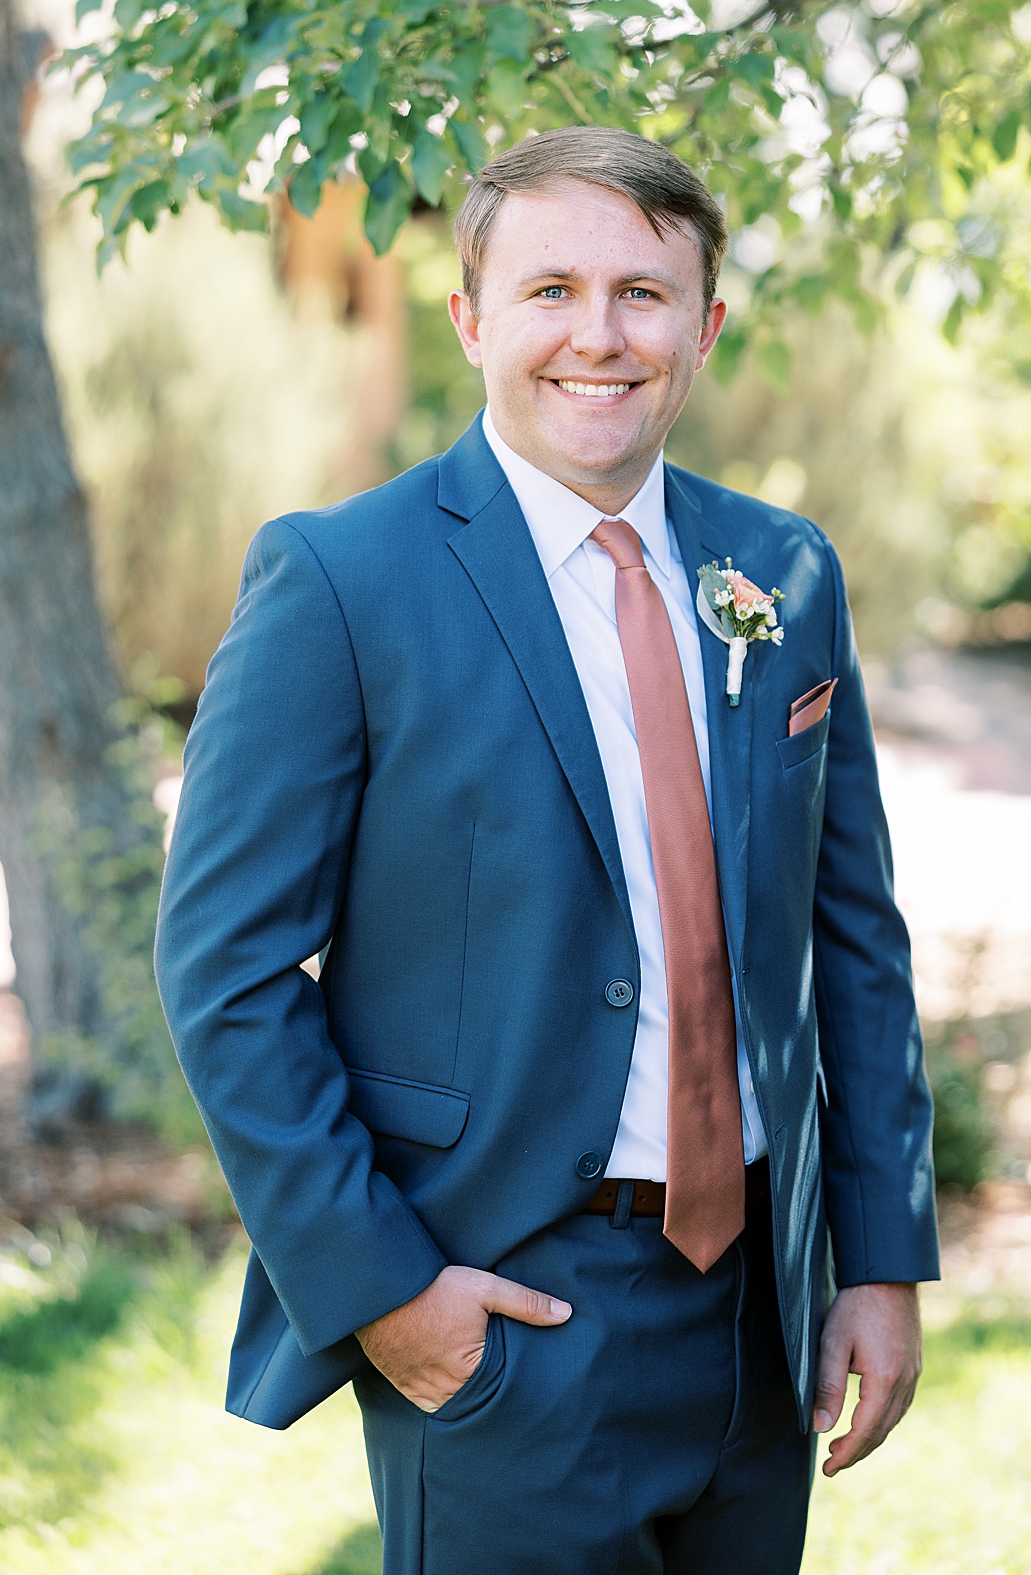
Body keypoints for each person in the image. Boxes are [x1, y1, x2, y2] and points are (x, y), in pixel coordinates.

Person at [156, 126, 939, 1574]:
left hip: (763, 1313)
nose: (600, 335)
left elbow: (856, 941)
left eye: (644, 294)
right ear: (471, 320)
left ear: (702, 327)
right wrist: (386, 1293)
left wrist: (879, 1256)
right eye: (550, 291)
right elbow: (226, 974)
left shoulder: (782, 573)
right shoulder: (342, 581)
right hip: (506, 1309)